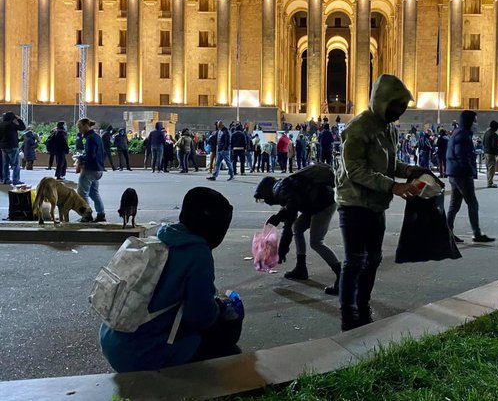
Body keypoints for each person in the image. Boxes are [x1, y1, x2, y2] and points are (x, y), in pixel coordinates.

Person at [100, 187, 242, 372]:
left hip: (112, 341)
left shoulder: (163, 237)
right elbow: (200, 316)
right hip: (141, 354)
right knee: (228, 334)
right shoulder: (198, 253)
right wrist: (221, 307)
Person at [336, 74, 426, 331]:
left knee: (373, 259)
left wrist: (408, 170)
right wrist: (393, 186)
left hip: (376, 205)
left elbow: (388, 164)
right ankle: (348, 312)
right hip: (353, 204)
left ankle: (363, 306)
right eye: (397, 107)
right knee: (355, 260)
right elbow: (355, 170)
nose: (400, 113)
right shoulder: (357, 129)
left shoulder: (388, 129)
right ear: (382, 102)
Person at [255, 165, 341, 295]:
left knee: (316, 242)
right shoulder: (283, 186)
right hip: (316, 203)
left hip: (324, 204)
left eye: (263, 199)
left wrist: (283, 247)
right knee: (298, 227)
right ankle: (301, 268)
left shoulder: (282, 190)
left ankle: (342, 276)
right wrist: (278, 217)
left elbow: (290, 217)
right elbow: (291, 207)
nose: (266, 202)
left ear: (267, 193)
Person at [446, 110, 495, 246]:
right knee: (472, 203)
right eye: (474, 120)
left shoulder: (458, 133)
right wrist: (470, 170)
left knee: (454, 205)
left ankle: (447, 232)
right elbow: (462, 155)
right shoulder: (463, 135)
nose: (475, 123)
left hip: (455, 173)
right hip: (462, 174)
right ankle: (477, 233)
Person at [76, 118, 106, 222]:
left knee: (81, 193)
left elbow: (90, 156)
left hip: (90, 169)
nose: (79, 130)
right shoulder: (97, 137)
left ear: (85, 126)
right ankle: (101, 213)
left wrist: (80, 158)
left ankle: (87, 214)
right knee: (94, 192)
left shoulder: (90, 139)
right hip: (98, 169)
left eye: (80, 127)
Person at [0, 111, 26, 185]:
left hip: (3, 147)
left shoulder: (1, 124)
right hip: (12, 146)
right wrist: (19, 119)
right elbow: (23, 127)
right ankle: (16, 180)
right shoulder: (11, 124)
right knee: (15, 164)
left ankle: (6, 179)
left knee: (5, 164)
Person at [482, 120, 498, 188]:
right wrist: (497, 150)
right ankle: (490, 183)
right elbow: (494, 145)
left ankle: (489, 181)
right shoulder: (494, 134)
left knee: (488, 168)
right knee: (491, 168)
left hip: (486, 152)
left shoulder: (486, 133)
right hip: (491, 153)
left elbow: (483, 142)